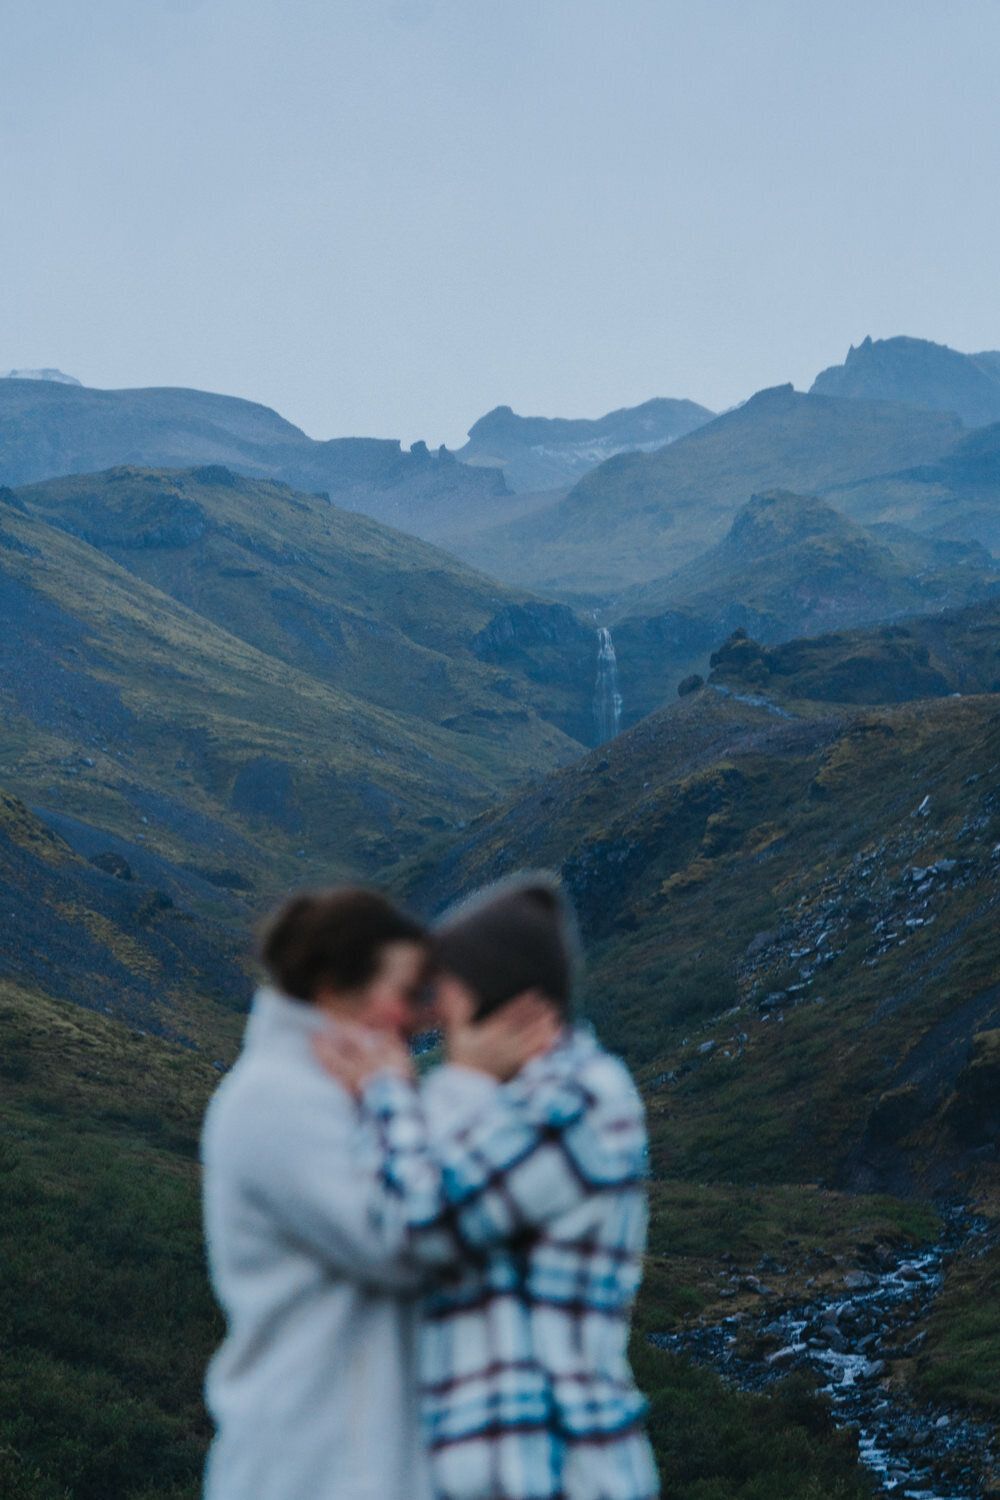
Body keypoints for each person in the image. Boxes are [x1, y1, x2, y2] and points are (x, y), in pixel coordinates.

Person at [200, 885, 550, 1500]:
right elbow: (411, 1241)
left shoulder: (340, 1086)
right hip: (315, 1466)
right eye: (410, 993)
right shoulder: (279, 1101)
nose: (426, 1014)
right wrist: (469, 1084)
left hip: (352, 1457)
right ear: (334, 990)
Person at [316, 875, 659, 1500]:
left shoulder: (577, 1099)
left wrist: (394, 1092)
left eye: (447, 995)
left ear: (503, 999)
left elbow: (414, 1223)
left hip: (544, 1466)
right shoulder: (513, 1103)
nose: (435, 1020)